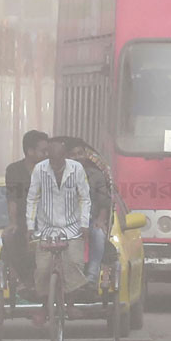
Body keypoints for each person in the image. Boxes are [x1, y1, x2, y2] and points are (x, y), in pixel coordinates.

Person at [26, 137, 92, 323]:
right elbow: (32, 199)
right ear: (48, 158)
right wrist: (30, 226)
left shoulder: (76, 169)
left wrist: (84, 224)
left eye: (59, 162)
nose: (56, 166)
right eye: (52, 162)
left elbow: (85, 198)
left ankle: (70, 304)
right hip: (46, 228)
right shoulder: (39, 170)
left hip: (72, 227)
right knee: (43, 268)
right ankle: (43, 307)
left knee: (74, 262)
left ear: (65, 157)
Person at [2, 130, 50, 284]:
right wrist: (13, 222)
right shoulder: (14, 171)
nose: (47, 154)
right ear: (30, 151)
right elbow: (13, 199)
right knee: (9, 237)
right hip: (23, 219)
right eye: (43, 151)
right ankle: (23, 279)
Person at [65, 139, 112, 285]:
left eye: (80, 153)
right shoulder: (61, 175)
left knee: (98, 234)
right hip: (65, 222)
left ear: (85, 155)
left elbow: (104, 201)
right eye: (73, 155)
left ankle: (92, 276)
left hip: (91, 220)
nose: (77, 157)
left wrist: (100, 220)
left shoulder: (96, 176)